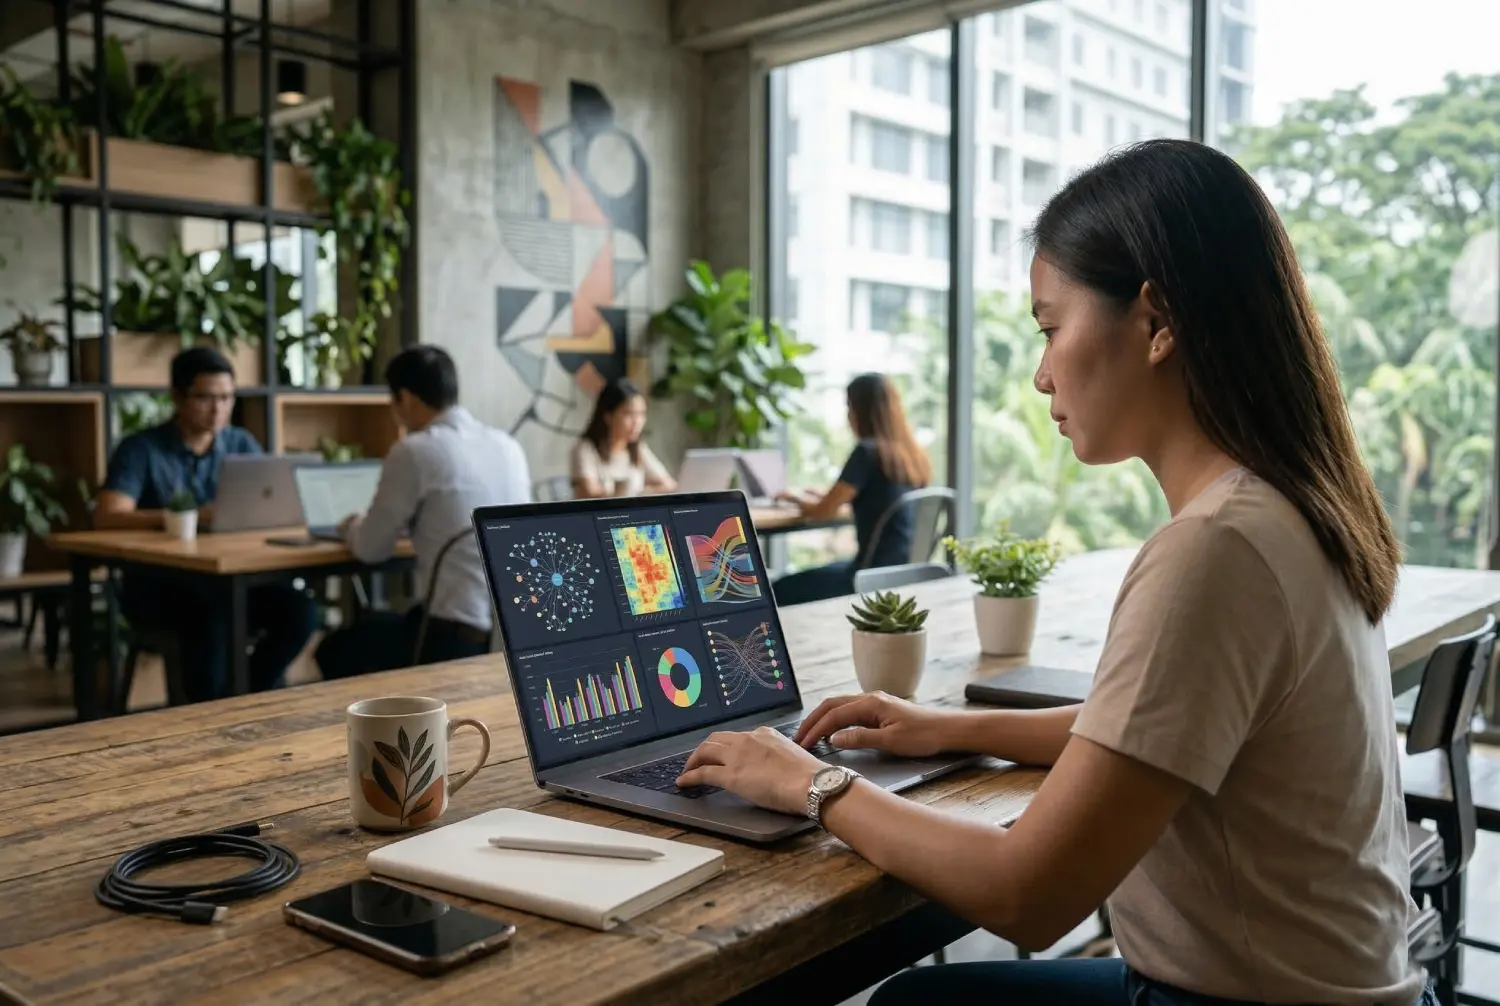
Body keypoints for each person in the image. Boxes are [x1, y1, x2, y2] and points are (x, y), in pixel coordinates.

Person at [676, 140, 1433, 1005]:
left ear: (1157, 322)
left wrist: (808, 783)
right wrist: (947, 728)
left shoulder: (1217, 550)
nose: (1041, 374)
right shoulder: (1292, 509)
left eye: (1050, 327)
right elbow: (1149, 729)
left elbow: (1030, 894)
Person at [96, 347, 318, 702]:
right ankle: (210, 713)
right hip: (162, 587)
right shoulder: (142, 449)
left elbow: (267, 502)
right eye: (205, 398)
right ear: (177, 397)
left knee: (300, 612)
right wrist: (192, 517)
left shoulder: (240, 442)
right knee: (209, 618)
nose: (218, 409)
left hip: (231, 580)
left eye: (227, 398)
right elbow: (109, 515)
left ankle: (242, 696)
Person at [315, 345, 531, 678]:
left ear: (405, 398)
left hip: (451, 639)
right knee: (384, 622)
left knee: (335, 649)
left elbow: (372, 550)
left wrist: (351, 526)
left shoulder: (415, 450)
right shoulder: (508, 446)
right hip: (512, 632)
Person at [772, 373, 931, 605]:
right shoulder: (911, 456)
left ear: (860, 411)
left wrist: (795, 499)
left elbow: (822, 512)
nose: (848, 416)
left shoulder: (867, 452)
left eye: (849, 407)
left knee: (778, 588)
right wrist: (823, 497)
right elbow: (876, 498)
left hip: (866, 575)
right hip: (904, 572)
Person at [570, 377, 676, 498]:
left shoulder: (637, 448)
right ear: (608, 416)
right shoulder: (585, 449)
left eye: (641, 414)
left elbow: (669, 484)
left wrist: (641, 493)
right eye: (629, 414)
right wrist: (628, 494)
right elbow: (592, 493)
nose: (637, 422)